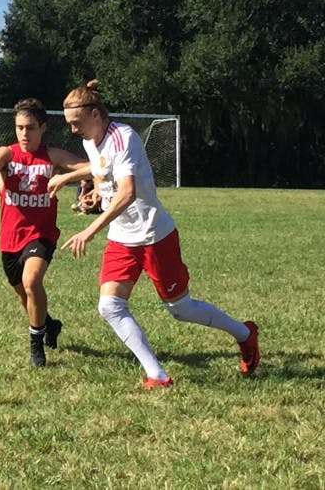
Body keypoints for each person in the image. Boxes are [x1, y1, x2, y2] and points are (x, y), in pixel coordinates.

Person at [48, 80, 260, 388]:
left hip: (153, 234)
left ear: (95, 113)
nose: (72, 130)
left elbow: (128, 193)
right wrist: (84, 184)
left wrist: (90, 229)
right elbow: (101, 170)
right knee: (109, 306)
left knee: (180, 308)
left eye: (76, 123)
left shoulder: (124, 137)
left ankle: (245, 333)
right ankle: (157, 374)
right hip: (122, 238)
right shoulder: (90, 142)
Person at [0, 98, 88, 365]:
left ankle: (36, 347)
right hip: (10, 237)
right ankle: (50, 324)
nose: (24, 134)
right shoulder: (6, 154)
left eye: (30, 128)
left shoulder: (53, 156)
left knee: (32, 281)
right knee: (25, 295)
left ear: (42, 128)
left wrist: (70, 175)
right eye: (20, 127)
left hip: (41, 234)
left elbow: (89, 167)